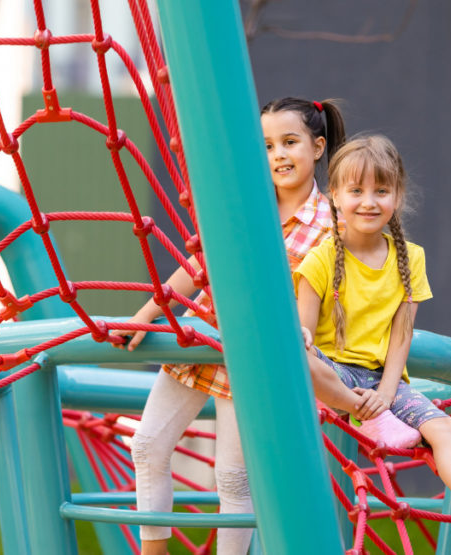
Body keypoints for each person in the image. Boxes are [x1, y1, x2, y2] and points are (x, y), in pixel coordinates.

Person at [118, 97, 345, 555]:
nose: (278, 155)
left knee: (233, 477)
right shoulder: (249, 206)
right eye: (267, 146)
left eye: (290, 142)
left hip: (255, 357)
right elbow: (201, 264)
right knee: (147, 445)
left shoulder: (331, 224)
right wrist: (147, 313)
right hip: (203, 336)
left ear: (318, 147)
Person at [293, 135, 451, 548]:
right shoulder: (320, 259)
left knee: (445, 427)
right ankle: (364, 414)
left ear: (398, 196)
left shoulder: (410, 258)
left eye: (381, 191)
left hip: (380, 379)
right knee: (299, 358)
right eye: (356, 191)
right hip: (331, 373)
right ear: (334, 196)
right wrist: (361, 402)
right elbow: (302, 332)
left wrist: (387, 393)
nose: (369, 202)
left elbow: (401, 335)